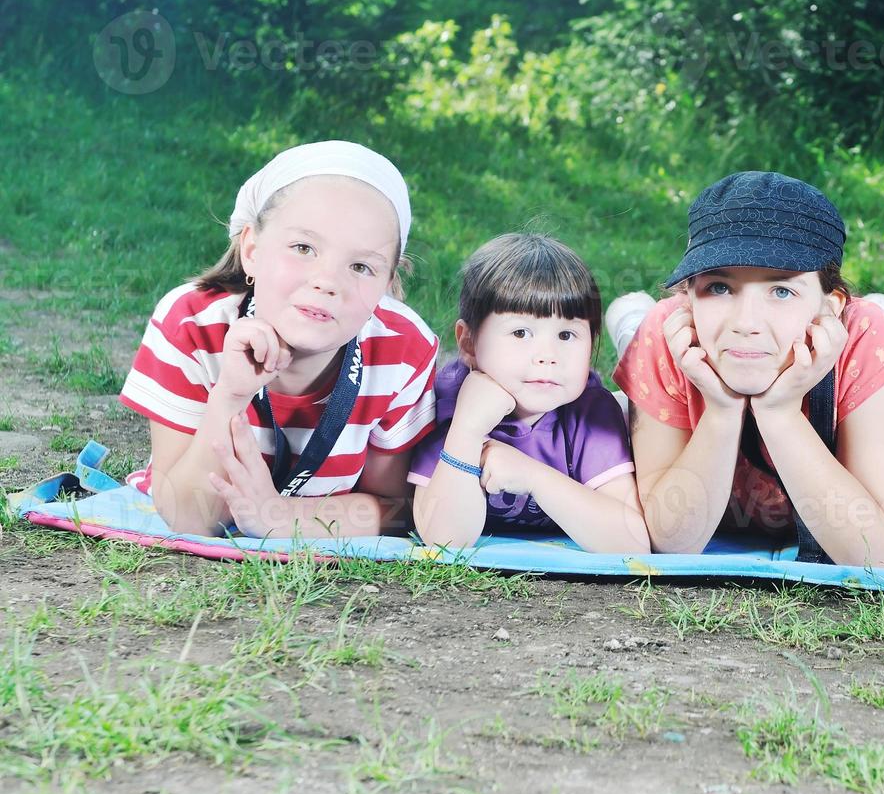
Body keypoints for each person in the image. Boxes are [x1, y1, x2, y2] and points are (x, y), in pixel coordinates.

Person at [118, 141, 439, 538]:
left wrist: (279, 517)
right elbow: (189, 519)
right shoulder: (191, 324)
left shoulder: (404, 349)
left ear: (387, 284)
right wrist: (230, 397)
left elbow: (396, 509)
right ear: (251, 250)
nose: (327, 281)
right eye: (303, 248)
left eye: (361, 266)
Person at [608, 171, 884, 567]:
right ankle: (629, 324)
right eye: (720, 288)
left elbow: (873, 555)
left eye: (781, 291)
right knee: (645, 333)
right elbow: (672, 543)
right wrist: (721, 411)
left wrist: (780, 414)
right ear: (689, 296)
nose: (747, 322)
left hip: (857, 380)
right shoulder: (667, 335)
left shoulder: (865, 341)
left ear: (830, 306)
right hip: (681, 343)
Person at [410, 234, 648, 553]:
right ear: (468, 343)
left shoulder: (590, 413)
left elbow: (631, 541)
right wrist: (467, 430)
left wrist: (532, 475)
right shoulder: (445, 403)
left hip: (622, 411)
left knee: (634, 405)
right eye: (521, 332)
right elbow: (446, 540)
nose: (547, 355)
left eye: (566, 334)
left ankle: (640, 336)